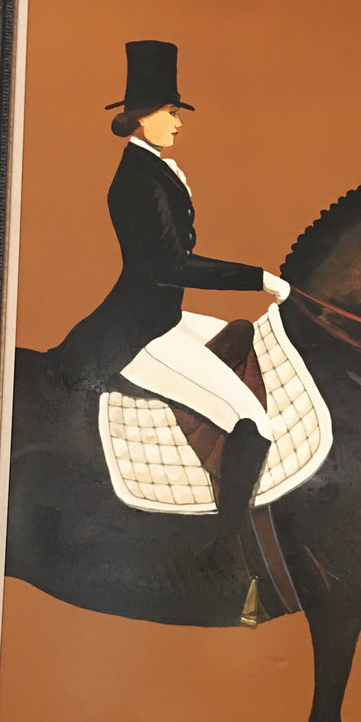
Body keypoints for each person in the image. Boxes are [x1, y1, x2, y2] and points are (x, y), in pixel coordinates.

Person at [50, 40, 289, 534]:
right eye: (172, 112)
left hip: (162, 315)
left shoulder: (157, 168)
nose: (179, 123)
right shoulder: (138, 181)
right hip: (140, 334)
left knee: (241, 333)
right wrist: (258, 278)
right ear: (143, 118)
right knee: (254, 424)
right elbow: (171, 265)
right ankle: (226, 548)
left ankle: (200, 441)